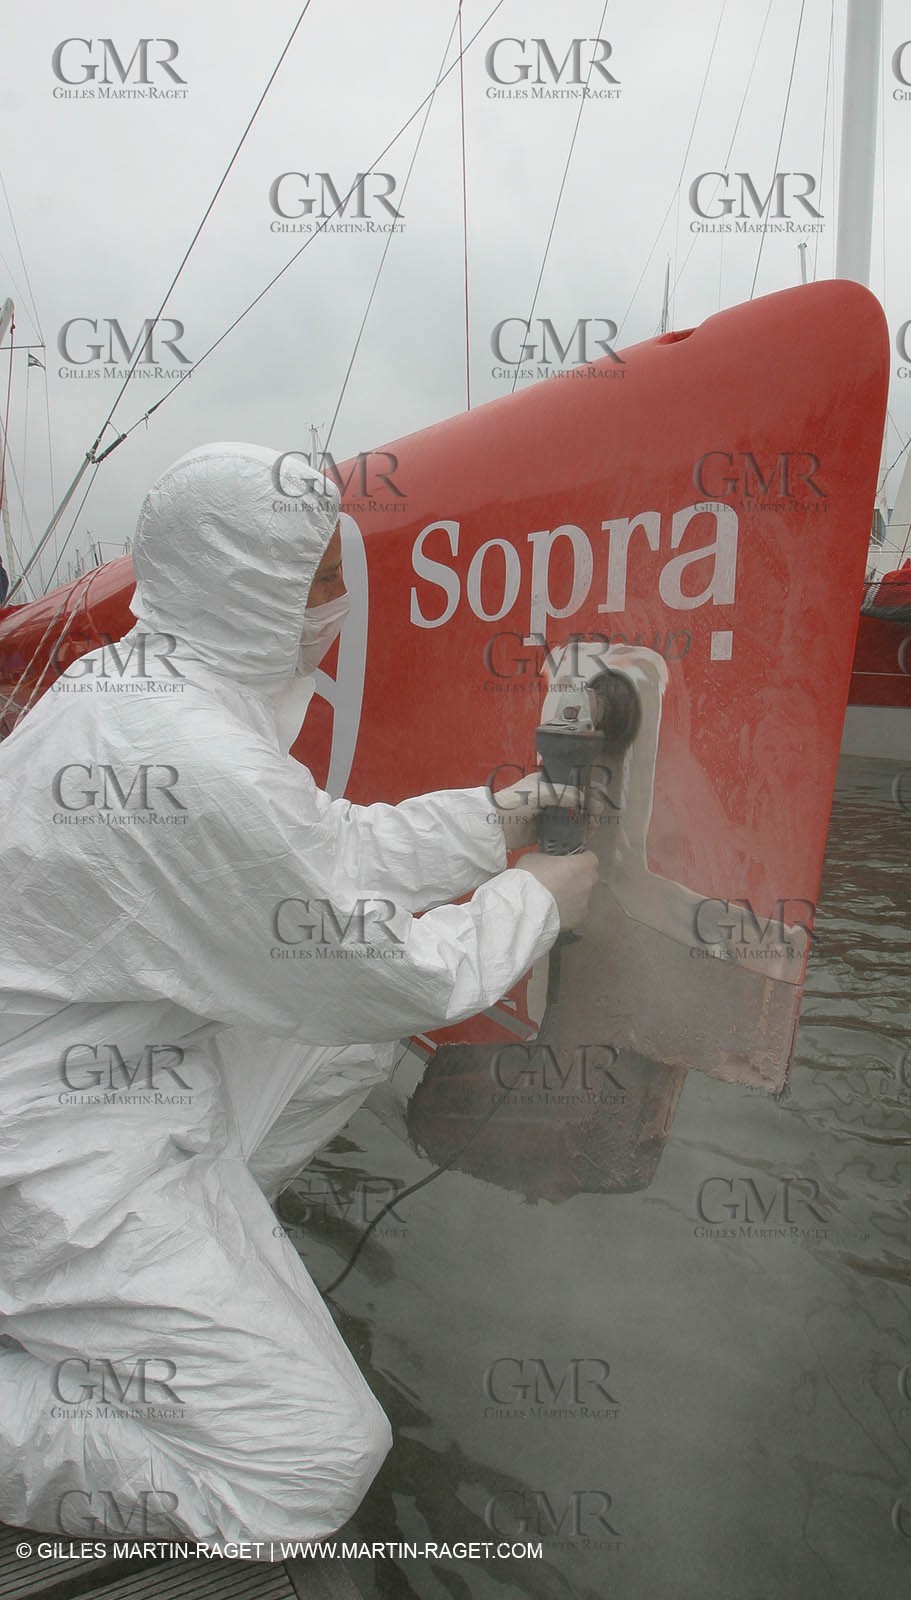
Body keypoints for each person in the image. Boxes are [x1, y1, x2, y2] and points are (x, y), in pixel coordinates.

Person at [0, 442, 596, 1543]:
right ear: (244, 582)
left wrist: (499, 815)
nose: (332, 601)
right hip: (44, 1164)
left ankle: (186, 1290)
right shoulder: (184, 757)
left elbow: (319, 853)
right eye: (315, 575)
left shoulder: (143, 682)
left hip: (105, 1080)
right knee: (309, 1463)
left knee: (342, 1048)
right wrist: (540, 901)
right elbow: (388, 975)